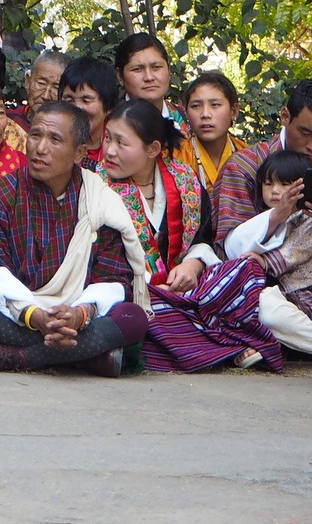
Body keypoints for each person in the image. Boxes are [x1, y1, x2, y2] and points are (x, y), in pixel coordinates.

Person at [0, 102, 151, 374]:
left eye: (55, 139)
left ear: (80, 152)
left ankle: (13, 357)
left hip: (77, 316)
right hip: (17, 312)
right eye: (35, 135)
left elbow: (112, 277)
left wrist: (79, 315)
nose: (40, 148)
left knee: (134, 318)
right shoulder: (0, 193)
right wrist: (35, 316)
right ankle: (86, 357)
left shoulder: (100, 202)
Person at [101, 99, 281, 372]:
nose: (110, 151)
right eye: (107, 139)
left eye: (121, 143)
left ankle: (199, 336)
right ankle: (230, 346)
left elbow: (203, 237)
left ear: (153, 149)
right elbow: (101, 259)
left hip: (189, 288)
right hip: (136, 291)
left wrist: (194, 264)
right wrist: (147, 285)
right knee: (138, 314)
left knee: (246, 268)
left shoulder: (185, 180)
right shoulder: (95, 186)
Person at [223, 150, 312, 355]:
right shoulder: (263, 218)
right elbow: (235, 246)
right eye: (269, 183)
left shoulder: (307, 217)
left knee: (269, 312)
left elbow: (296, 249)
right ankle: (266, 346)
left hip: (305, 295)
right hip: (285, 296)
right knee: (254, 305)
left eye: (285, 184)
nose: (275, 191)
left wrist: (265, 262)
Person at [212, 80, 312, 245]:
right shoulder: (244, 167)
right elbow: (228, 250)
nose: (310, 146)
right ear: (285, 116)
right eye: (305, 132)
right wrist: (274, 218)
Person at [177, 71, 243, 195]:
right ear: (186, 112)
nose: (205, 114)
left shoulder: (248, 156)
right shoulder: (175, 157)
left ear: (234, 111)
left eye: (215, 105)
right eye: (196, 106)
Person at [58, 56, 119, 173]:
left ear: (109, 107)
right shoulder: (48, 145)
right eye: (69, 100)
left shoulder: (120, 150)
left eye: (86, 100)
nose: (77, 108)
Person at [114, 32, 186, 128]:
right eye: (138, 69)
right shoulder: (109, 121)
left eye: (156, 67)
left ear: (169, 70)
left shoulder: (187, 118)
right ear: (120, 76)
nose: (149, 77)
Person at [23, 49, 69, 121]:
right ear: (28, 82)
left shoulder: (70, 130)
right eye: (41, 83)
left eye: (56, 87)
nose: (46, 96)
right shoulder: (8, 122)